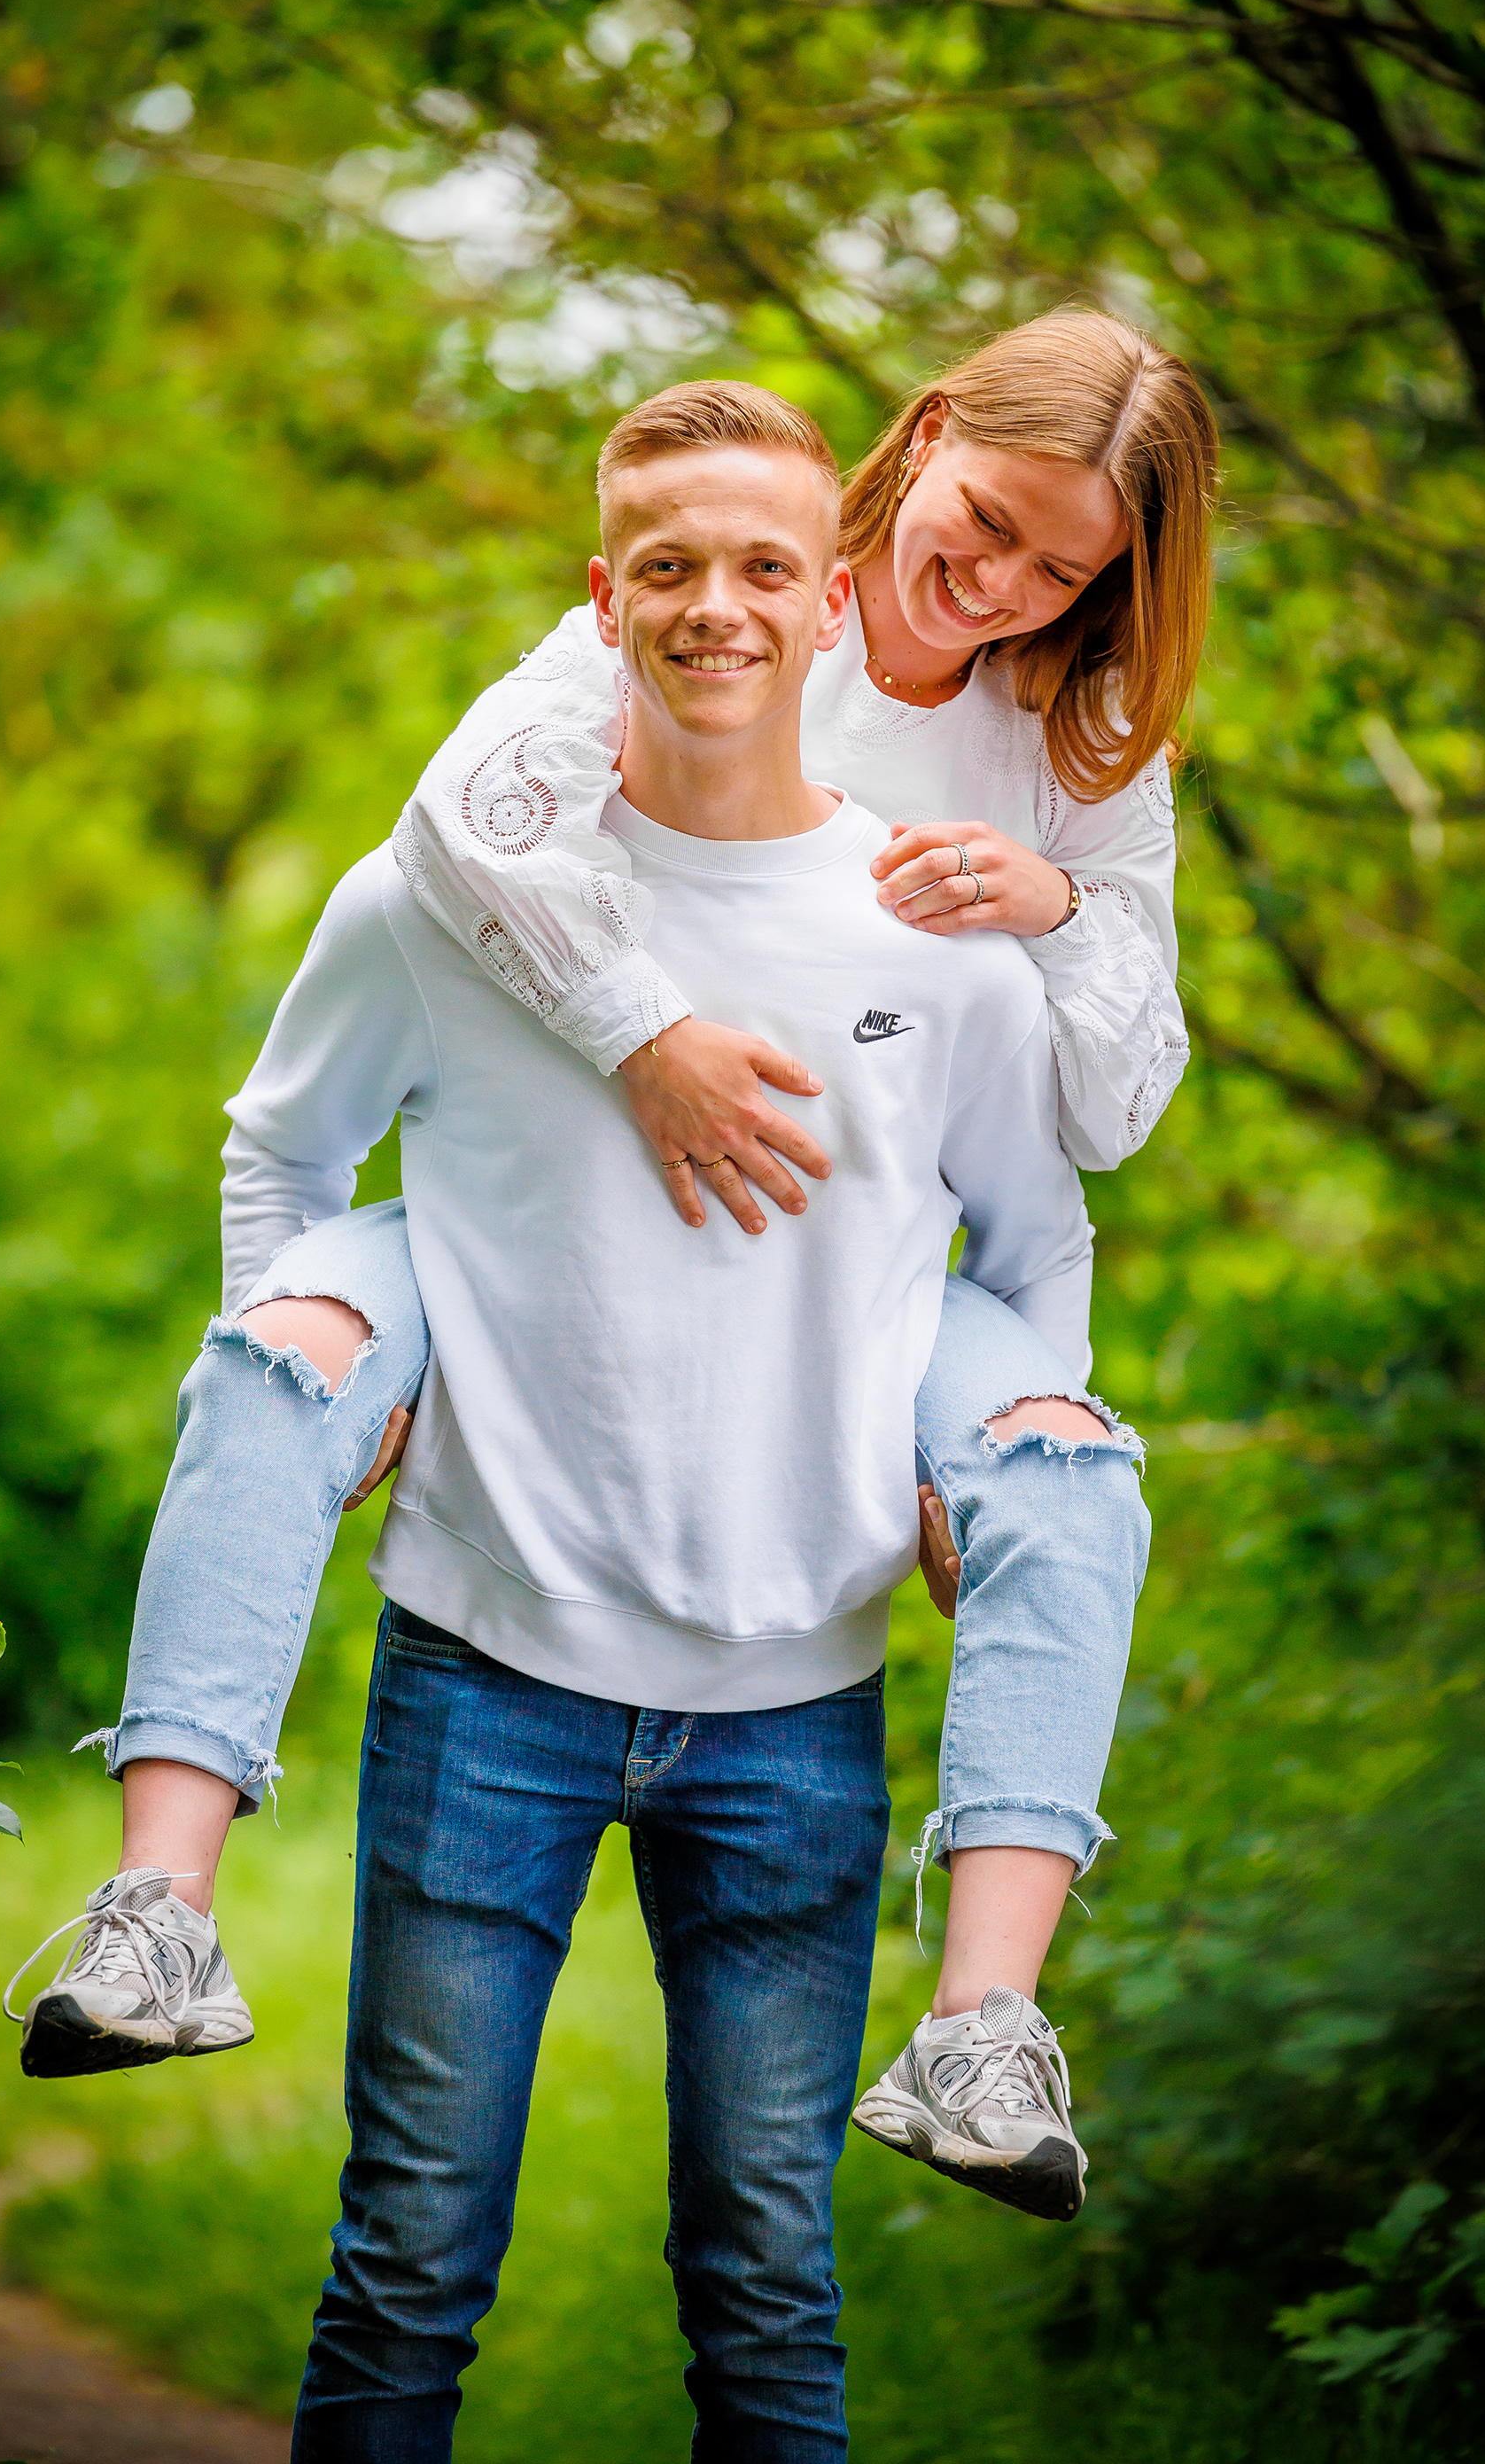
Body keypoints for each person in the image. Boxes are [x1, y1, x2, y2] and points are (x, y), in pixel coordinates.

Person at [8, 319, 1214, 2210]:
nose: (997, 585)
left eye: (1062, 571)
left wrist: (1057, 906)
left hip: (856, 1266)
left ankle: (983, 2029)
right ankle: (158, 1906)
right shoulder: (721, 589)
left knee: (1071, 1469)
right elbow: (451, 834)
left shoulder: (1079, 742)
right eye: (985, 522)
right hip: (541, 1188)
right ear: (924, 443)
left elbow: (1099, 1124)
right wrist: (643, 1036)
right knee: (288, 1345)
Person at [249, 387, 1108, 2455]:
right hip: (485, 1674)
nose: (716, 606)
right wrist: (322, 1383)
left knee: (768, 2286)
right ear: (601, 596)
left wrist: (987, 1457)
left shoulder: (939, 943)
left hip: (797, 1702)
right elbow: (282, 1148)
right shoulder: (442, 903)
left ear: (832, 606)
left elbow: (1041, 1236)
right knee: (407, 2257)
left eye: (761, 570)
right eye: (668, 568)